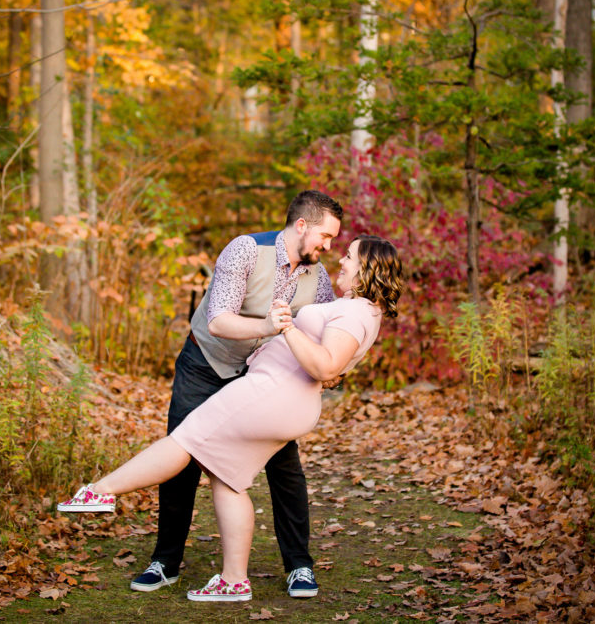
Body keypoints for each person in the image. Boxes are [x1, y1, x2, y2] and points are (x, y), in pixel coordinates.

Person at [58, 235, 404, 603]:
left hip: (270, 393)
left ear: (367, 268)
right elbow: (331, 360)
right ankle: (234, 580)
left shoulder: (354, 310)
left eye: (349, 256)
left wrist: (285, 328)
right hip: (283, 398)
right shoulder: (360, 309)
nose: (342, 261)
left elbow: (326, 364)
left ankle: (100, 492)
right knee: (227, 476)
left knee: (185, 440)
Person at [115, 191, 345, 598]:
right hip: (206, 364)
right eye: (326, 236)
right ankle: (165, 562)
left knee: (285, 466)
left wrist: (331, 367)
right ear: (302, 226)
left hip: (265, 378)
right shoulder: (245, 250)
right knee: (181, 454)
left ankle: (299, 567)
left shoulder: (319, 277)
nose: (329, 246)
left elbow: (328, 333)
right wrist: (273, 328)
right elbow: (219, 321)